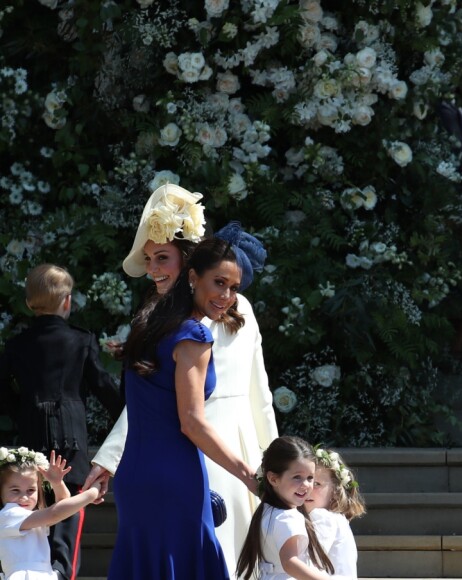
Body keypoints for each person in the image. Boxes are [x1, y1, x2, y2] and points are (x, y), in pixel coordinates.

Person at [83, 183, 278, 576]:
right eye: (150, 258)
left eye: (162, 258)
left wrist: (272, 460)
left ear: (188, 263)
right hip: (193, 450)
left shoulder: (206, 311)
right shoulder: (167, 320)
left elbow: (259, 394)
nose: (153, 269)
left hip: (219, 446)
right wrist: (109, 457)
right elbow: (161, 403)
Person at [106, 227, 261, 579]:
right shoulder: (194, 335)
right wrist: (250, 475)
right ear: (193, 277)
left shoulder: (151, 325)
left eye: (234, 288)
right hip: (174, 477)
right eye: (219, 283)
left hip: (135, 475)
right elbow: (192, 422)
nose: (226, 296)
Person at [0, 264, 123, 580]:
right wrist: (130, 417)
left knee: (29, 523)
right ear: (67, 301)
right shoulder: (81, 340)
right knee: (67, 532)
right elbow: (104, 390)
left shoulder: (17, 345)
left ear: (30, 303)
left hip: (30, 445)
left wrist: (24, 414)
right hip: (72, 447)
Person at [236, 436, 336, 580]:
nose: (306, 485)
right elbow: (290, 562)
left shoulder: (267, 509)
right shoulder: (288, 517)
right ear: (273, 479)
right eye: (297, 477)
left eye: (310, 477)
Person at [0, 448, 104, 580]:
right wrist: (92, 493)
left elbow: (63, 505)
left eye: (31, 490)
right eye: (15, 490)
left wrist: (57, 483)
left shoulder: (31, 517)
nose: (24, 497)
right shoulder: (8, 515)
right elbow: (56, 513)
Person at [304, 447, 366, 578]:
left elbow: (308, 562)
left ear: (335, 491)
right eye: (306, 481)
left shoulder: (323, 517)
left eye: (317, 484)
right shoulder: (335, 518)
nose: (308, 488)